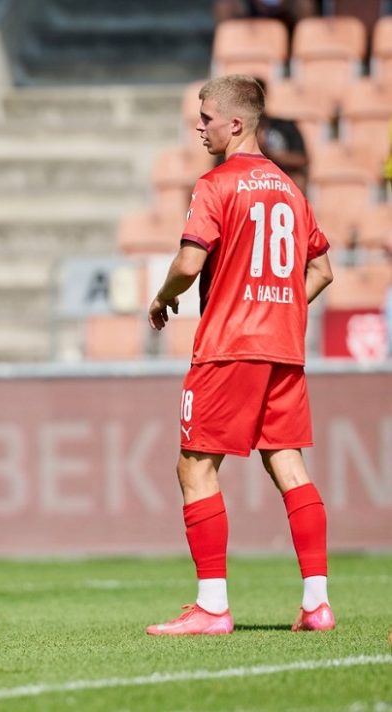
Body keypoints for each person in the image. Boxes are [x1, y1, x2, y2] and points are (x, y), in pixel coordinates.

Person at [147, 75, 335, 636]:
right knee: (288, 464)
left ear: (235, 123)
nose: (198, 127)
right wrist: (280, 307)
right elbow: (322, 270)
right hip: (283, 348)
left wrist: (162, 298)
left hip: (229, 347)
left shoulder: (216, 184)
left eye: (206, 118)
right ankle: (317, 603)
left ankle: (212, 607)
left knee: (195, 467)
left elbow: (189, 264)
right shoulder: (290, 190)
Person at [254, 77, 309, 192]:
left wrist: (269, 154)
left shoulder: (285, 126)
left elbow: (301, 159)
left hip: (281, 185)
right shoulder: (236, 130)